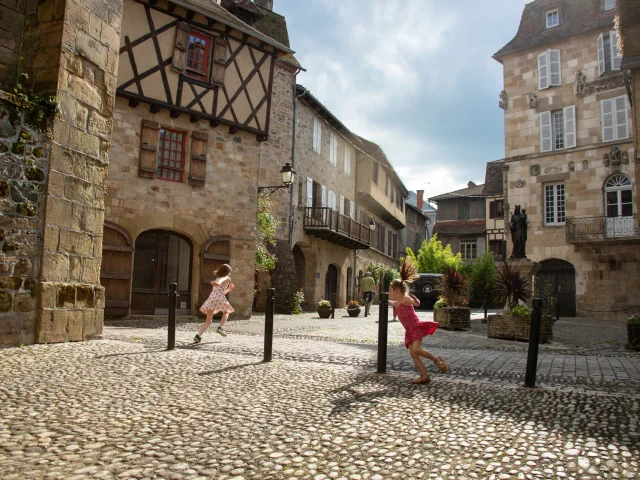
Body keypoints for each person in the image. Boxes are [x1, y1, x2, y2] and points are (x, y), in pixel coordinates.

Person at [389, 260, 447, 385]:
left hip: (415, 327)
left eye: (390, 291)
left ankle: (437, 361)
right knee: (413, 353)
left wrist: (415, 301)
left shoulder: (405, 299)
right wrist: (385, 301)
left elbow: (416, 303)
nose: (389, 293)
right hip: (409, 331)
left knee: (416, 349)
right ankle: (424, 376)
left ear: (397, 291)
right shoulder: (398, 302)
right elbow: (392, 303)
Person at [194, 264, 235, 343]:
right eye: (230, 272)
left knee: (208, 321)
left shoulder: (218, 278)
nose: (230, 273)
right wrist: (218, 284)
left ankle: (198, 336)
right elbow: (221, 282)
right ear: (227, 272)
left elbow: (223, 289)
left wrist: (227, 289)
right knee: (226, 312)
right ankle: (220, 327)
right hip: (219, 299)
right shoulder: (227, 278)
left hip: (211, 299)